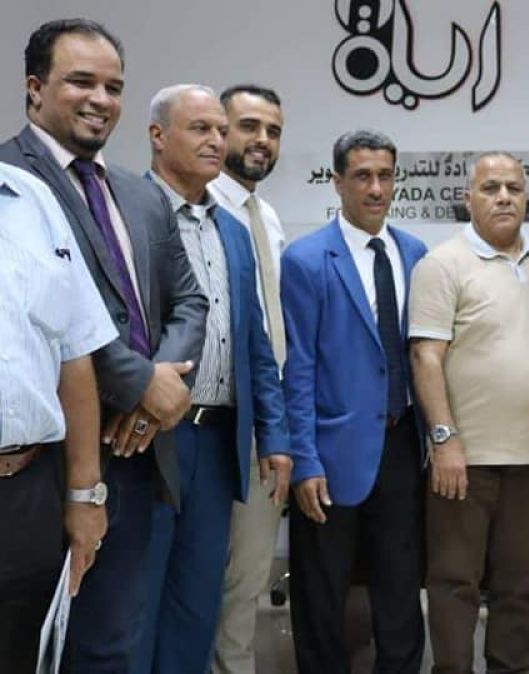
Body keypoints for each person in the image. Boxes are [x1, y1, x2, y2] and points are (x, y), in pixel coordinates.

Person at [0, 18, 209, 672]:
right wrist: (142, 383)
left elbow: (190, 299)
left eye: (113, 87)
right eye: (81, 82)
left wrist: (159, 390)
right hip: (48, 467)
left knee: (111, 646)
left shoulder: (139, 194)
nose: (101, 99)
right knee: (34, 648)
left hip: (139, 455)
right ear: (35, 88)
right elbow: (59, 321)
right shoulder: (10, 182)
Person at [134, 84, 289, 674]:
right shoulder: (127, 212)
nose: (216, 141)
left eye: (220, 131)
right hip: (151, 438)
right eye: (201, 129)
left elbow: (256, 342)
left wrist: (273, 435)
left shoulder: (234, 231)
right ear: (158, 136)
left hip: (221, 437)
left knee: (197, 603)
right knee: (138, 598)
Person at [281, 130, 428, 674]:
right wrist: (304, 460)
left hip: (402, 443)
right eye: (362, 176)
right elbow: (298, 367)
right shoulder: (305, 258)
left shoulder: (414, 253)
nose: (376, 188)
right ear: (337, 181)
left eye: (385, 176)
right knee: (321, 594)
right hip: (331, 452)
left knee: (401, 588)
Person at [410, 152, 529, 673]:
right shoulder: (442, 264)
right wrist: (444, 439)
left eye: (513, 189)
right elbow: (426, 357)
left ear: (526, 198)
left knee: (520, 587)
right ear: (467, 198)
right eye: (490, 188)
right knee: (454, 585)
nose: (503, 198)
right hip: (464, 461)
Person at [0, 161, 116, 672]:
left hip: (29, 488)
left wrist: (86, 494)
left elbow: (74, 352)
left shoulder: (32, 199)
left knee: (21, 653)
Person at [208, 83, 289, 674]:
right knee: (200, 572)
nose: (262, 140)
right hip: (211, 423)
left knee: (250, 573)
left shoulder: (270, 217)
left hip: (266, 420)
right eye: (249, 126)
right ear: (219, 131)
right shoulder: (197, 208)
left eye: (273, 131)